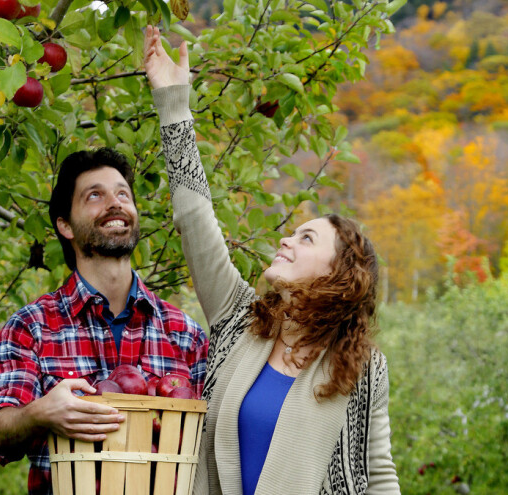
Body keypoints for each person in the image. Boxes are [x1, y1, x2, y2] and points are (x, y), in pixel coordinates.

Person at [144, 26, 400, 495]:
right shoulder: (238, 320)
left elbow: (377, 473)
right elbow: (196, 217)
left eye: (306, 238)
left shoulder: (363, 368)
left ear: (338, 274)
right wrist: (174, 106)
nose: (286, 240)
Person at [0, 148, 209, 495]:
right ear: (65, 225)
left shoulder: (184, 334)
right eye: (94, 195)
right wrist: (41, 413)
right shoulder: (32, 327)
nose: (114, 204)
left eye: (122, 194)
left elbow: (211, 446)